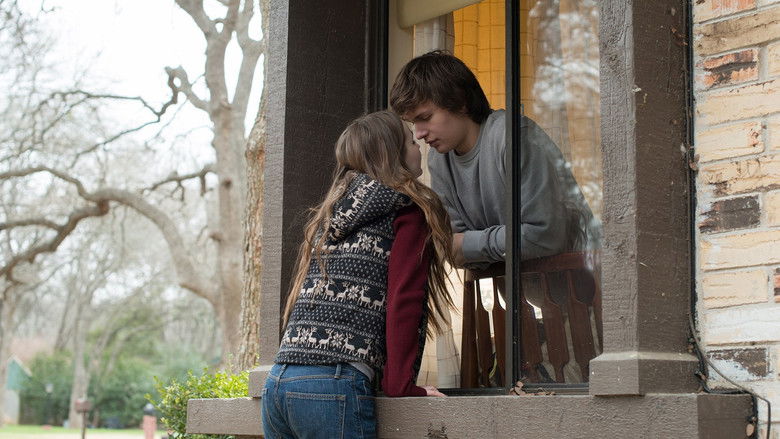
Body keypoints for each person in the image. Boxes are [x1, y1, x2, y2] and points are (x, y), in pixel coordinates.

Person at [261, 111, 455, 439]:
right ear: (391, 154)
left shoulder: (331, 215)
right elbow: (405, 299)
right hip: (332, 386)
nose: (419, 144)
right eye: (409, 140)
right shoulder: (405, 211)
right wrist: (402, 387)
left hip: (279, 382)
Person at [390, 51, 598, 269]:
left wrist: (472, 245)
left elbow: (544, 236)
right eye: (413, 122)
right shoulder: (438, 159)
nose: (419, 133)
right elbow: (454, 247)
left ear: (460, 101)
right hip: (525, 286)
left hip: (584, 279)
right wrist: (474, 246)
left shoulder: (514, 137)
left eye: (425, 118)